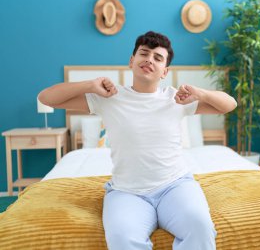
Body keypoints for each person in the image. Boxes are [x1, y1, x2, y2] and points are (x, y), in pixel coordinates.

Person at [38, 31, 237, 250]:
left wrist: (201, 94)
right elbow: (46, 98)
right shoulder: (108, 98)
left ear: (165, 71)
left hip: (175, 186)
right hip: (127, 192)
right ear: (132, 61)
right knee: (122, 238)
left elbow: (230, 105)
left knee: (200, 228)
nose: (149, 59)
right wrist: (89, 85)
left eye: (158, 58)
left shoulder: (176, 99)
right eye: (144, 53)